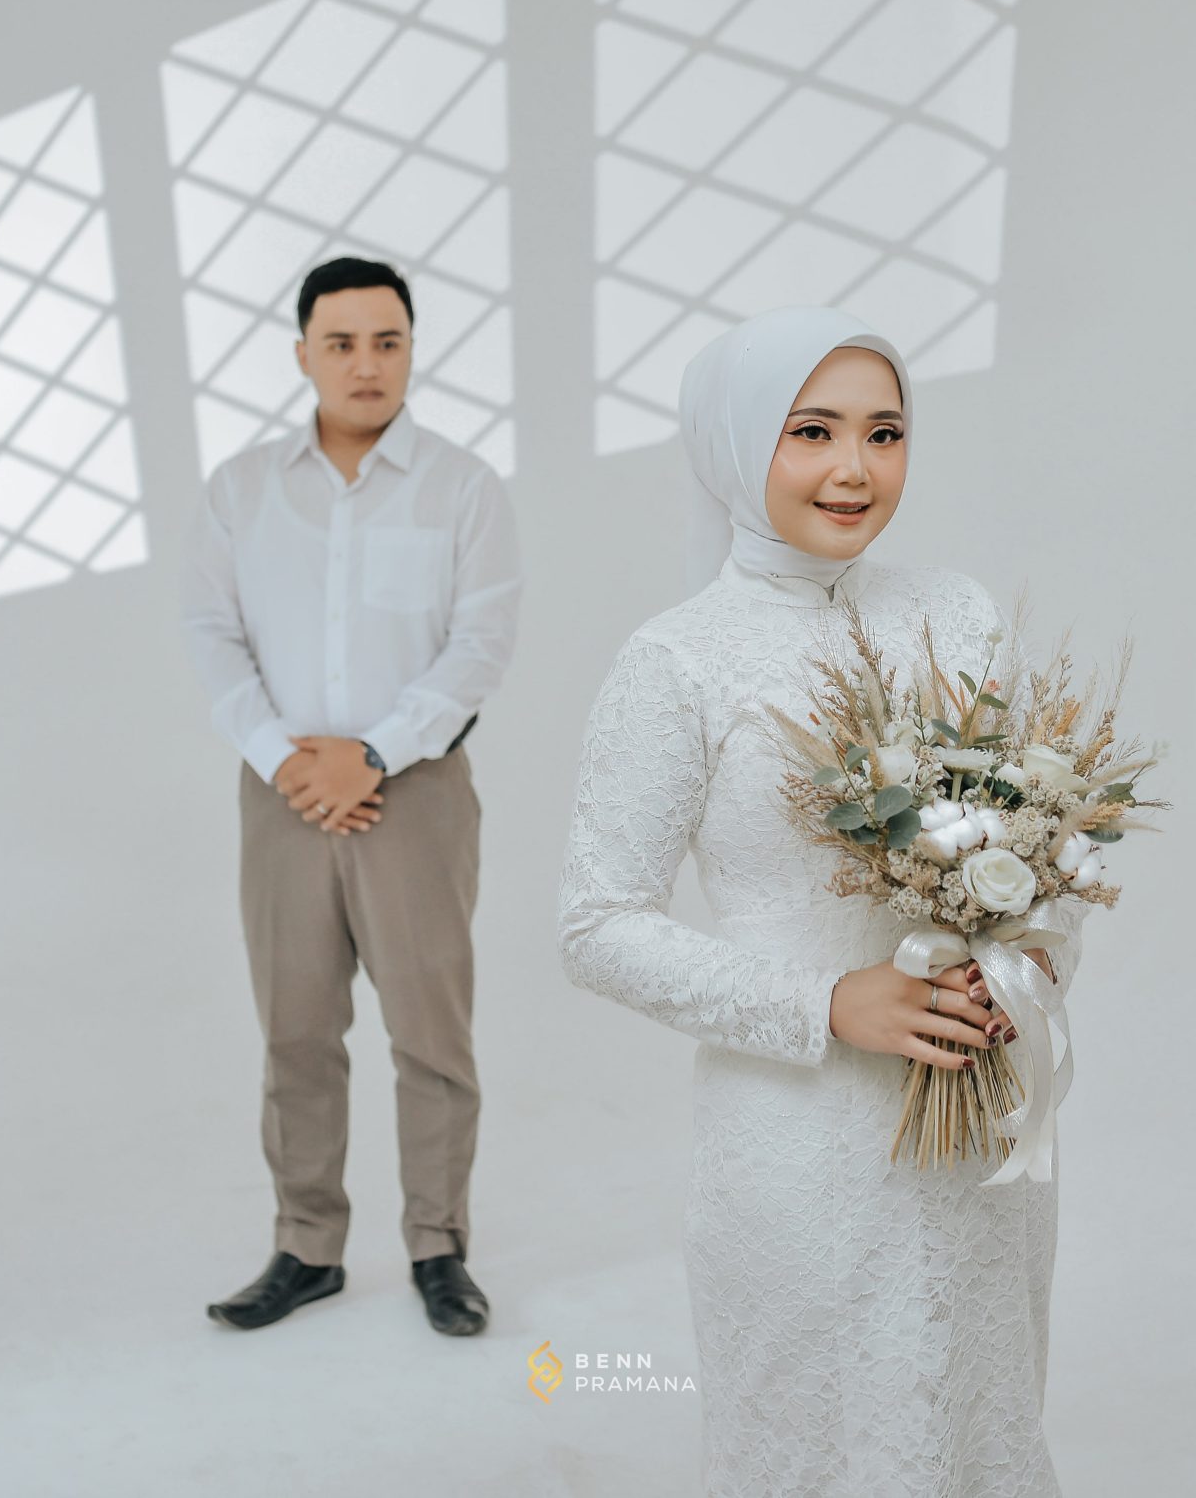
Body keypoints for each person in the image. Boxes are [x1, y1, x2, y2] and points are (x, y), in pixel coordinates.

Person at [556, 306, 1083, 1495]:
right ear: (736, 442)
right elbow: (595, 923)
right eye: (812, 431)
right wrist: (830, 1001)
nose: (854, 467)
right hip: (798, 1139)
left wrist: (1026, 961)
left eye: (884, 432)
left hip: (975, 1109)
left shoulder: (957, 612)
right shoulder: (676, 659)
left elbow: (1041, 838)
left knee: (979, 1410)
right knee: (820, 1435)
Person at [181, 255, 521, 1337]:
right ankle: (306, 1246)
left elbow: (480, 643)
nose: (365, 363)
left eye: (387, 341)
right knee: (295, 1029)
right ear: (302, 354)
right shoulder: (241, 489)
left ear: (411, 350)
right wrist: (285, 757)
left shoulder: (463, 486)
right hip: (280, 794)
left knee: (430, 1033)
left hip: (414, 797)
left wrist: (372, 753)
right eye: (341, 343)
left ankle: (438, 1246)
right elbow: (211, 632)